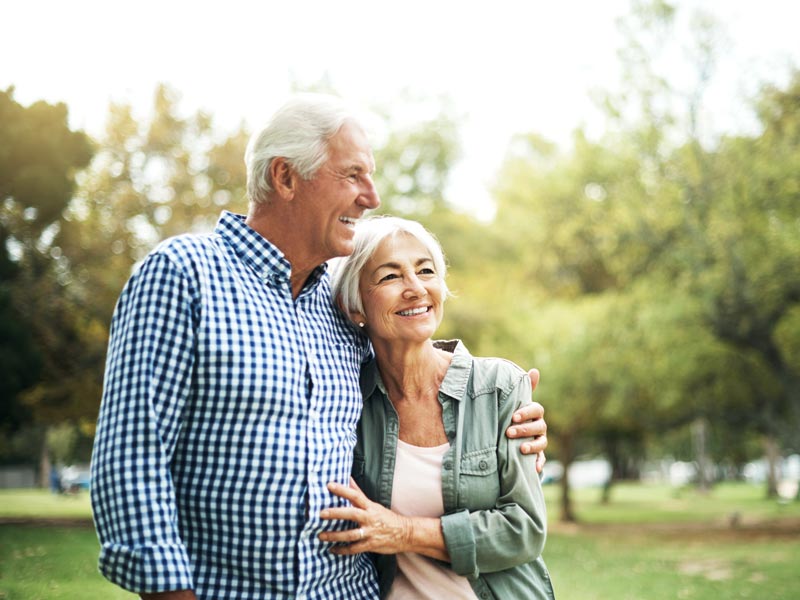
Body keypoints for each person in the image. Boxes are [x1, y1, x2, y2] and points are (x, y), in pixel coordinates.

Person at [90, 94, 548, 600]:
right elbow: (133, 460)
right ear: (285, 177)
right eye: (352, 176)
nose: (371, 197)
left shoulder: (334, 298)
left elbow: (410, 368)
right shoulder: (184, 273)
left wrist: (499, 413)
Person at [319, 216, 555, 599]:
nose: (415, 289)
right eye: (390, 276)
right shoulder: (346, 399)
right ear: (355, 305)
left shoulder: (499, 386)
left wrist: (401, 531)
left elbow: (523, 530)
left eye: (426, 271)